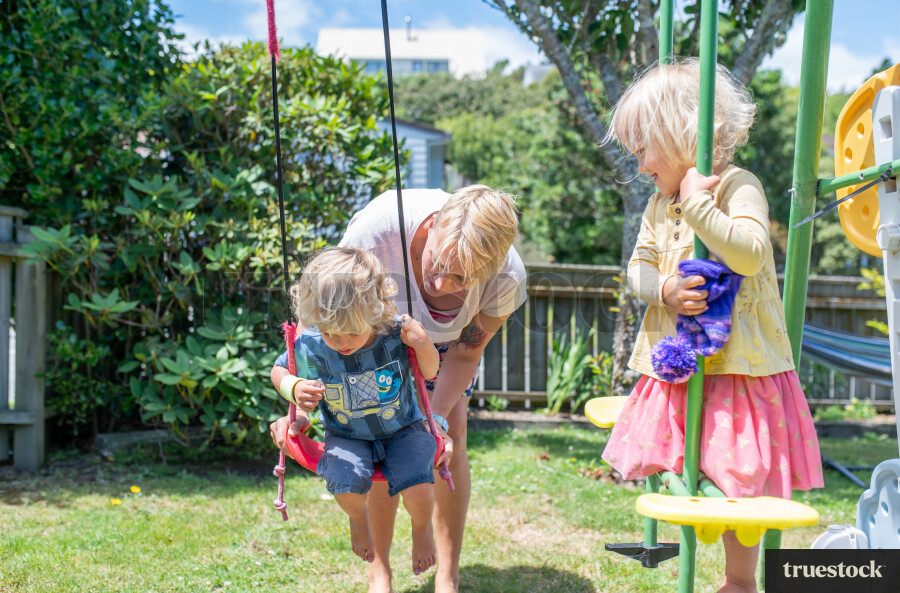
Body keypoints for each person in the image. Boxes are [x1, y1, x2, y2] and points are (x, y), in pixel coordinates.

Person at [600, 59, 823, 593]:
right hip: (682, 362)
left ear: (682, 135)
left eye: (642, 146)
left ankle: (740, 580)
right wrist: (665, 290)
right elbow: (638, 267)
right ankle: (695, 533)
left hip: (741, 365)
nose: (639, 162)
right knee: (693, 467)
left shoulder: (736, 186)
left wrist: (700, 204)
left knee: (740, 474)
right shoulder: (659, 203)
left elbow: (748, 253)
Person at [270, 185, 526, 593]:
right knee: (374, 437)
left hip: (443, 349)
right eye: (437, 262)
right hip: (366, 341)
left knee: (447, 439)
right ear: (434, 225)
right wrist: (298, 410)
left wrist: (435, 418)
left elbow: (466, 353)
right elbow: (319, 321)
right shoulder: (379, 228)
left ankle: (447, 572)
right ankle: (380, 570)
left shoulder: (506, 277)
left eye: (461, 277)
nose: (441, 283)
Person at [271, 247, 441, 574]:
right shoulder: (311, 344)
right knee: (345, 487)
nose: (341, 340)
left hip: (404, 429)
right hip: (347, 435)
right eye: (330, 331)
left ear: (375, 310)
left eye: (351, 330)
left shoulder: (395, 332)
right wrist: (292, 387)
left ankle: (422, 529)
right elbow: (278, 371)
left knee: (419, 490)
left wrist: (422, 343)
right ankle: (357, 518)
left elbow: (430, 372)